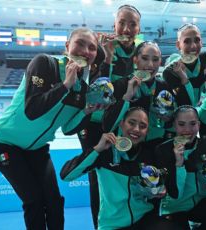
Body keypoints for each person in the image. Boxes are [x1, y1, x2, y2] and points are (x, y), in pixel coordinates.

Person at [0, 27, 104, 230]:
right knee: (34, 200)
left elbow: (67, 129)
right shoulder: (45, 64)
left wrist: (87, 112)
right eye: (80, 43)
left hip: (37, 148)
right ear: (67, 46)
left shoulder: (82, 89)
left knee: (54, 201)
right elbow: (32, 110)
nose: (86, 51)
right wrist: (65, 85)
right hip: (3, 143)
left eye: (92, 47)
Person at [61, 107, 182, 230]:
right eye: (131, 122)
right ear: (121, 123)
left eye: (142, 126)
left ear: (147, 131)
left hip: (144, 219)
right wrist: (97, 149)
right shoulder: (104, 153)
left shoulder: (149, 154)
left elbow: (163, 187)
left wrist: (159, 190)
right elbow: (66, 175)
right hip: (112, 225)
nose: (136, 129)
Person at [83, 5, 141, 227]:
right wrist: (107, 59)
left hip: (124, 125)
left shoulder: (141, 52)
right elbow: (96, 90)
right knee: (98, 180)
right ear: (114, 26)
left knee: (125, 176)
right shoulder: (99, 50)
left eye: (132, 24)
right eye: (122, 23)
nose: (126, 28)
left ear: (139, 28)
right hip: (97, 125)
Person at [155, 105, 206, 229]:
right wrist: (179, 163)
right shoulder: (163, 150)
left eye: (192, 124)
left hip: (199, 203)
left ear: (198, 124)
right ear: (174, 125)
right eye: (181, 124)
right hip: (175, 207)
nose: (187, 130)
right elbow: (175, 194)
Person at [104, 41, 182, 145]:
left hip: (154, 147)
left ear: (160, 62)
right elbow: (108, 126)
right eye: (145, 58)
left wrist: (168, 119)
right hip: (126, 148)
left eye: (155, 60)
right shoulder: (121, 85)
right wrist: (126, 98)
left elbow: (171, 124)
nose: (150, 65)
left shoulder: (164, 87)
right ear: (135, 60)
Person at [162, 23, 206, 107]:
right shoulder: (170, 71)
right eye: (187, 41)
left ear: (201, 42)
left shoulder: (204, 58)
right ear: (178, 45)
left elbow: (205, 86)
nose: (193, 46)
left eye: (197, 40)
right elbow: (186, 103)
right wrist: (184, 78)